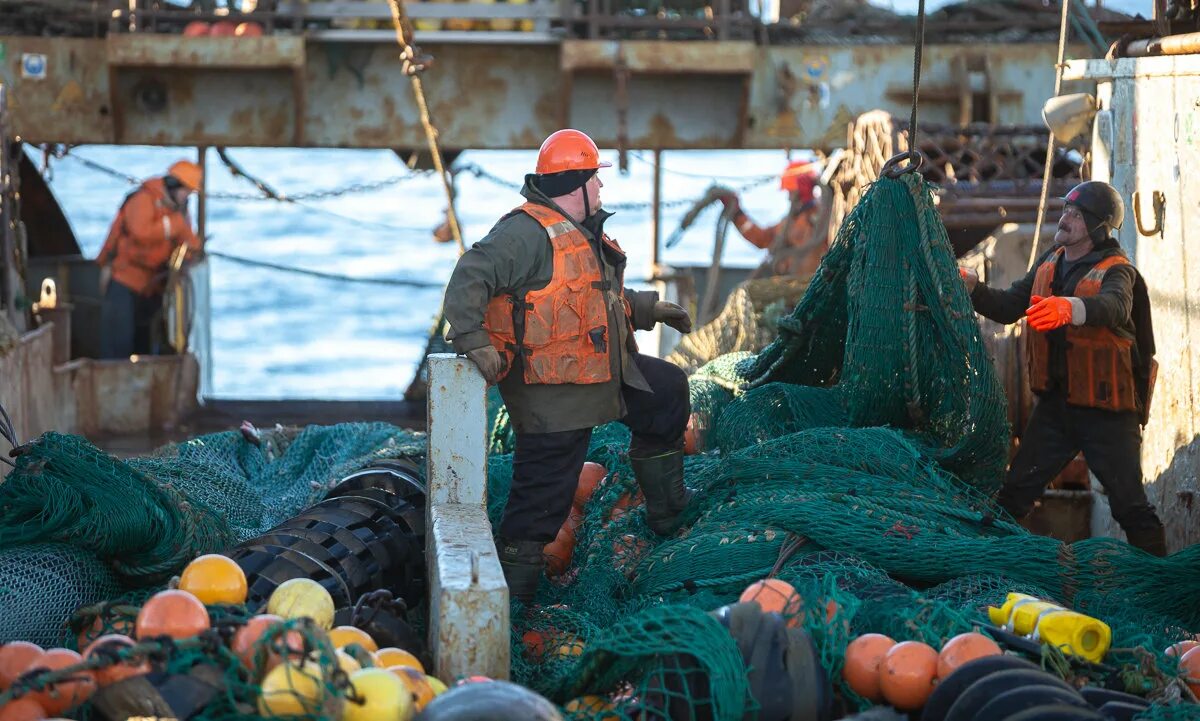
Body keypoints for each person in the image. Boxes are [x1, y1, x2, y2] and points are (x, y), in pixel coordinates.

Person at [443, 129, 696, 601]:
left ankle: (669, 514)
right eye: (595, 179)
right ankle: (513, 602)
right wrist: (473, 339)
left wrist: (645, 310)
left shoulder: (578, 229)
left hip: (604, 378)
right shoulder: (524, 232)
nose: (601, 188)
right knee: (541, 503)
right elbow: (469, 275)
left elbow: (586, 298)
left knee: (666, 393)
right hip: (554, 395)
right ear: (575, 184)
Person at [960, 180, 1165, 556]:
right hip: (1056, 410)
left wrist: (1071, 308)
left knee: (1130, 506)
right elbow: (1008, 307)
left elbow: (1115, 306)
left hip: (1106, 413)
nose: (1065, 218)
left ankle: (1164, 590)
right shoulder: (1050, 261)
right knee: (1013, 496)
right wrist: (974, 288)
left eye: (1076, 213)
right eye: (1066, 209)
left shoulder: (1118, 271)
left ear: (1099, 226)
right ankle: (980, 566)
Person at [96, 160, 204, 359]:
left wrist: (188, 252)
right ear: (173, 185)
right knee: (118, 348)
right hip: (123, 283)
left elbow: (192, 243)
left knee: (144, 347)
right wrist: (173, 226)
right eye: (186, 191)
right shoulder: (143, 199)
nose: (187, 196)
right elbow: (141, 232)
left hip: (150, 289)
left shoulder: (177, 212)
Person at [719, 160, 824, 278]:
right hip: (795, 285)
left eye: (790, 191)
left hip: (811, 285)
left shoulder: (818, 216)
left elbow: (803, 236)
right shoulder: (793, 220)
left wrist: (809, 205)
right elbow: (763, 239)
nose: (789, 197)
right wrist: (738, 214)